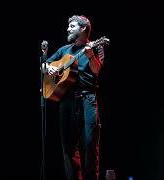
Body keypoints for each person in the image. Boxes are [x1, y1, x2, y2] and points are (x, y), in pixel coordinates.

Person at [41, 15, 106, 180]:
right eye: (68, 26)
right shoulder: (64, 49)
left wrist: (90, 55)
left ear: (83, 28)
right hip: (66, 101)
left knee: (90, 143)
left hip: (87, 99)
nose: (68, 28)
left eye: (72, 26)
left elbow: (97, 70)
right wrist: (48, 68)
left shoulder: (96, 47)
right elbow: (43, 64)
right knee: (68, 148)